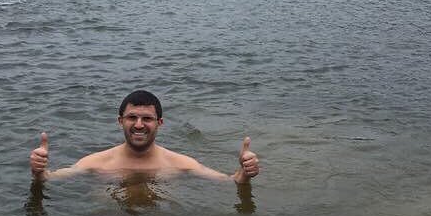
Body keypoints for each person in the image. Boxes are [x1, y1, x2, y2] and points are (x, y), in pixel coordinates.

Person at [29, 89, 260, 184]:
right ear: (120, 121)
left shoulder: (181, 164)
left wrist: (244, 174)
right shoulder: (95, 162)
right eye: (132, 118)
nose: (139, 125)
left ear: (159, 123)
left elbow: (229, 182)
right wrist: (39, 171)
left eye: (147, 119)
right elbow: (50, 179)